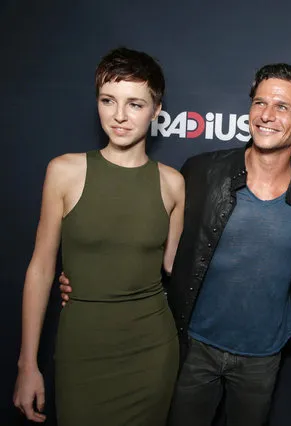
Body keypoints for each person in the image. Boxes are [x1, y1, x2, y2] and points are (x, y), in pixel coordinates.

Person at [13, 47, 184, 425]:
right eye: (108, 101)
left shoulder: (173, 183)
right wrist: (28, 364)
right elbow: (41, 269)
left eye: (135, 104)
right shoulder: (64, 171)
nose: (119, 116)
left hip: (152, 351)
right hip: (82, 350)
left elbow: (177, 266)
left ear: (157, 110)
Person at [164, 63, 291, 426]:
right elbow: (159, 244)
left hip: (263, 358)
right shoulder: (202, 172)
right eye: (259, 103)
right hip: (194, 348)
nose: (266, 115)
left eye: (282, 106)